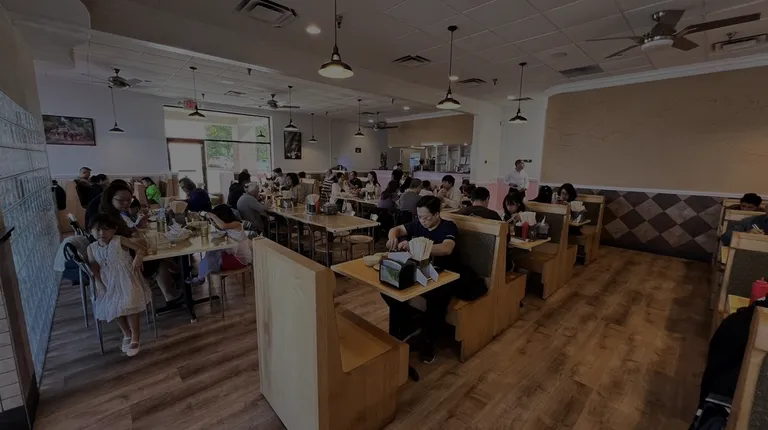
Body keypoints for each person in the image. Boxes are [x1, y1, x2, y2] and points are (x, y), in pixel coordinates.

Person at [385, 196, 459, 363]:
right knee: (390, 288)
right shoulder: (418, 223)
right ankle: (403, 331)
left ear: (437, 214)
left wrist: (415, 246)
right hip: (421, 271)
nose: (422, 221)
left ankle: (428, 341)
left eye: (426, 217)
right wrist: (393, 237)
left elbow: (447, 248)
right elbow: (396, 229)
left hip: (445, 273)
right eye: (419, 217)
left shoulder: (448, 226)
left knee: (437, 298)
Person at [99, 182, 181, 303]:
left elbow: (125, 233)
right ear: (110, 199)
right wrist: (134, 242)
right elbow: (110, 242)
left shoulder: (116, 215)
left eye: (129, 200)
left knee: (161, 253)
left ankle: (179, 274)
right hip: (120, 263)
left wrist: (136, 229)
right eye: (121, 200)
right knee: (158, 261)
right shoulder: (105, 220)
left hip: (126, 254)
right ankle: (170, 295)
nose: (126, 203)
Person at [86, 213, 152, 357]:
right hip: (107, 281)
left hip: (126, 278)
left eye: (106, 229)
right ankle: (126, 333)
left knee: (130, 305)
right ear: (90, 231)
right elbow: (94, 266)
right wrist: (98, 282)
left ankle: (135, 337)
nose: (102, 233)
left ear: (114, 229)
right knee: (114, 307)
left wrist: (138, 257)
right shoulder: (91, 248)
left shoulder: (119, 240)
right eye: (97, 229)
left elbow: (140, 248)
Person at [189, 205, 252, 285]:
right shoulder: (229, 225)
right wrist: (213, 221)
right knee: (211, 253)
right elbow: (221, 227)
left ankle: (200, 276)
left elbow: (222, 226)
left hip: (240, 258)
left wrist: (212, 216)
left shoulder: (236, 224)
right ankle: (201, 275)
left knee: (212, 257)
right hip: (233, 253)